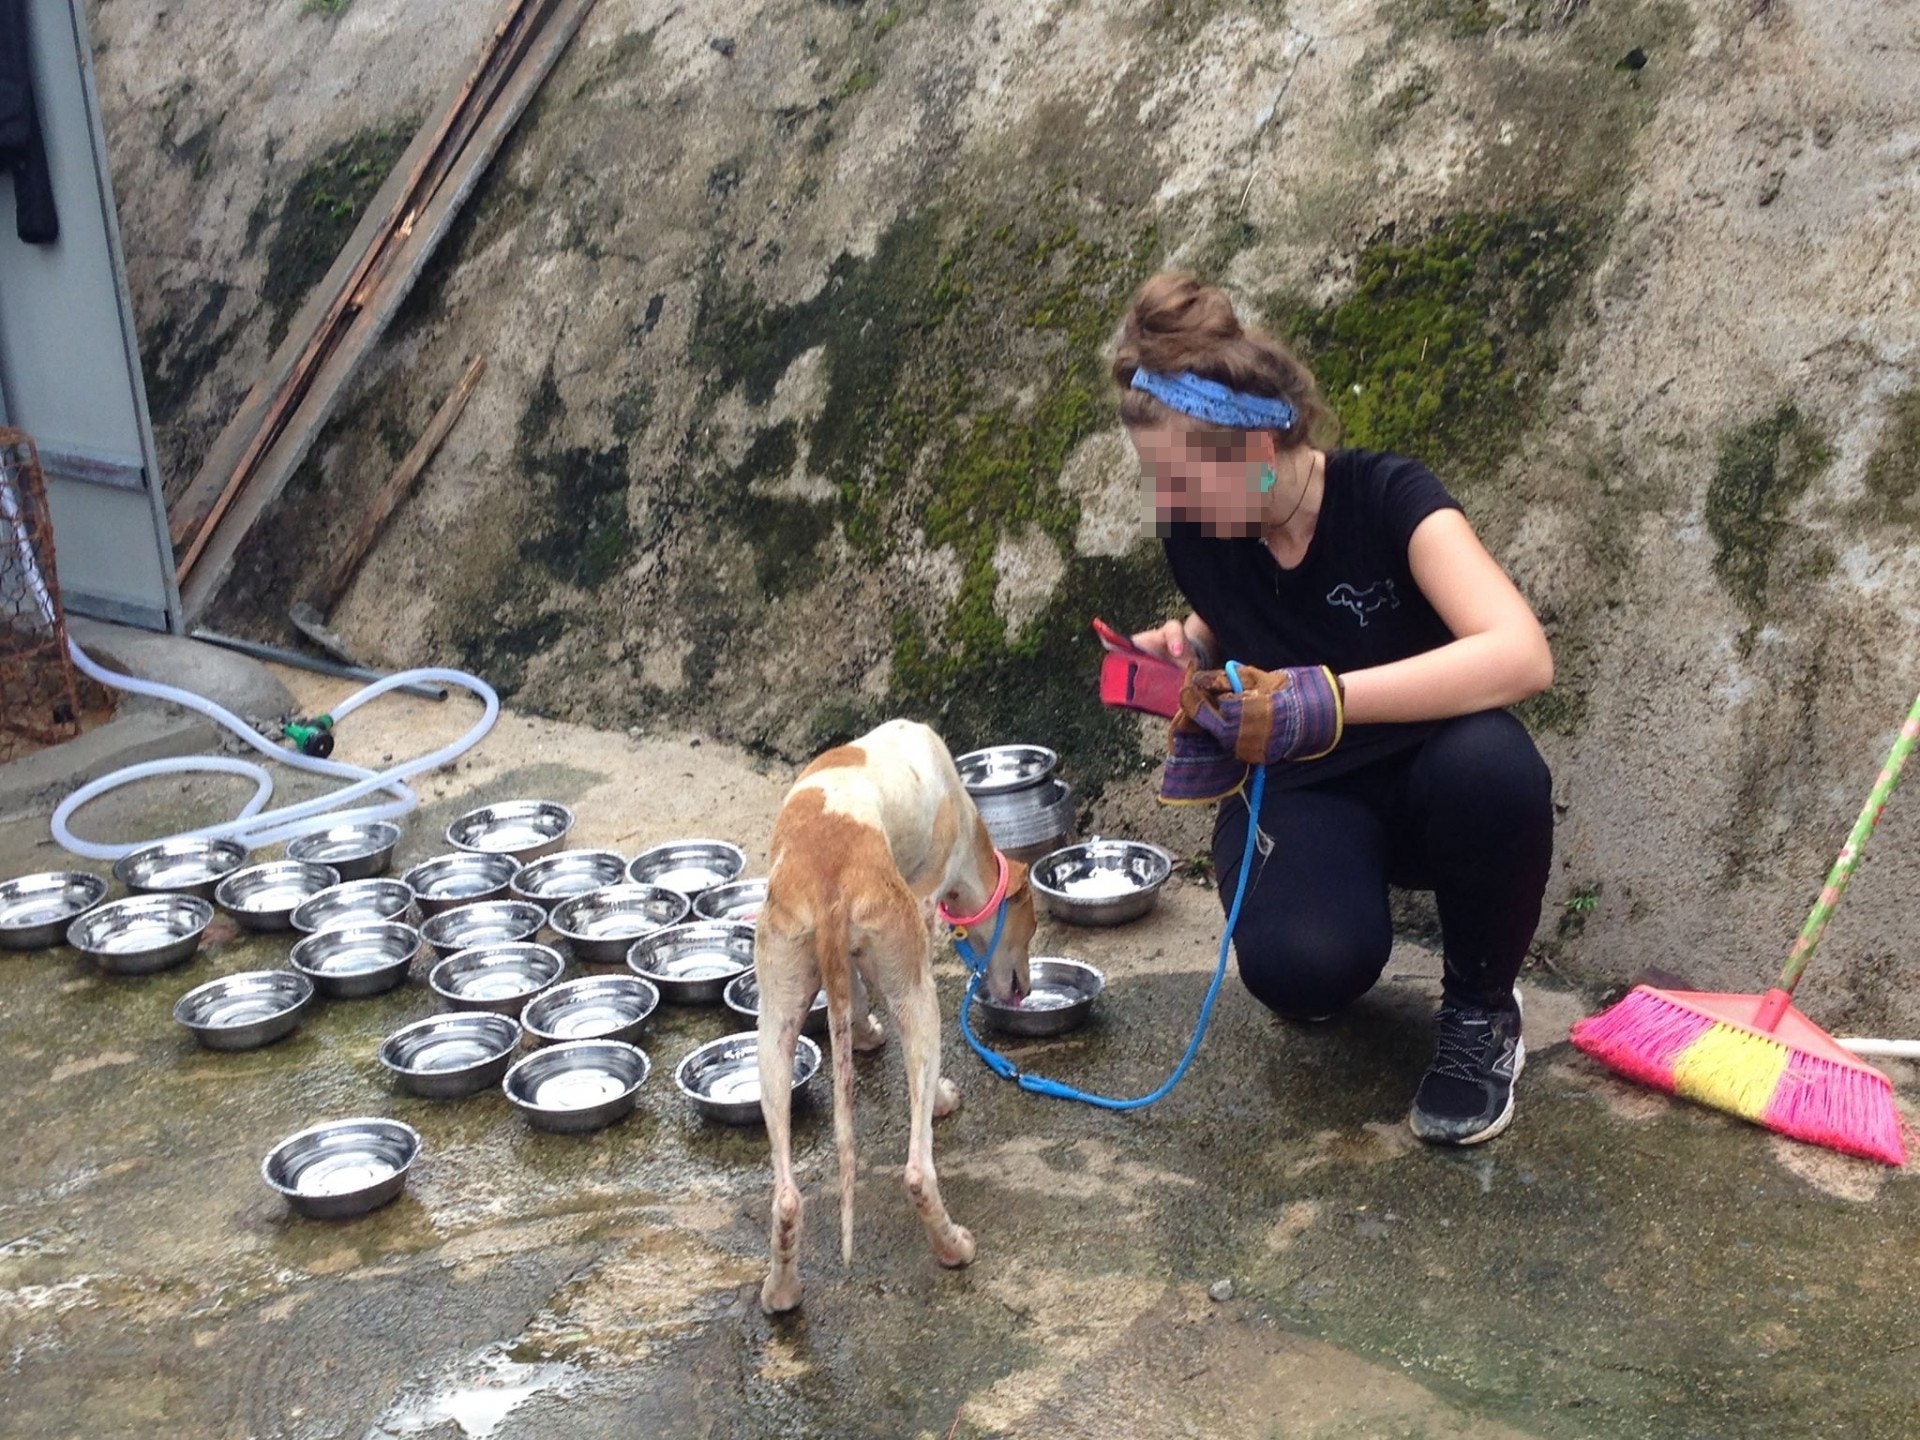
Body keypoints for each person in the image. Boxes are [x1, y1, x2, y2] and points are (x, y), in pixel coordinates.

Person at [1113, 273, 1555, 1145]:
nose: (1168, 504)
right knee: (1300, 972)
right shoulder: (1198, 534)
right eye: (1158, 482)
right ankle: (1332, 914)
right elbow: (1241, 612)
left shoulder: (1388, 498)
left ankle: (1480, 1010)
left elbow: (1521, 653)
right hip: (1308, 788)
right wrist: (1189, 653)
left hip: (1434, 779)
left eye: (1181, 481)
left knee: (1495, 768)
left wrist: (1328, 698)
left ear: (1256, 449)